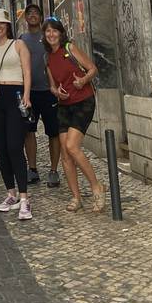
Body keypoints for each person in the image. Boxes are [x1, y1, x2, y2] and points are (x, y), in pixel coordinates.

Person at [43, 17, 105, 213]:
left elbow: (93, 69)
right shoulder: (48, 58)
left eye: (55, 31)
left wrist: (83, 80)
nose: (51, 34)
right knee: (64, 153)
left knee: (72, 146)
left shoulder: (70, 48)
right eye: (48, 32)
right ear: (44, 36)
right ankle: (76, 197)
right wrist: (56, 92)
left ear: (61, 33)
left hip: (83, 101)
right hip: (64, 104)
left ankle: (97, 187)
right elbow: (52, 85)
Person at [0, 8, 33, 220]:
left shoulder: (19, 44)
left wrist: (27, 96)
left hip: (16, 95)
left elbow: (27, 71)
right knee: (1, 149)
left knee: (14, 146)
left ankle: (24, 198)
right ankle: (10, 193)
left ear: (8, 25)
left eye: (2, 23)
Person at [20, 3, 61, 188]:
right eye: (29, 13)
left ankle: (53, 170)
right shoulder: (21, 39)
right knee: (29, 131)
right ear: (25, 17)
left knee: (54, 132)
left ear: (41, 16)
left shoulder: (48, 37)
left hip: (49, 92)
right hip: (30, 93)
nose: (33, 15)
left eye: (36, 13)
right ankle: (32, 168)